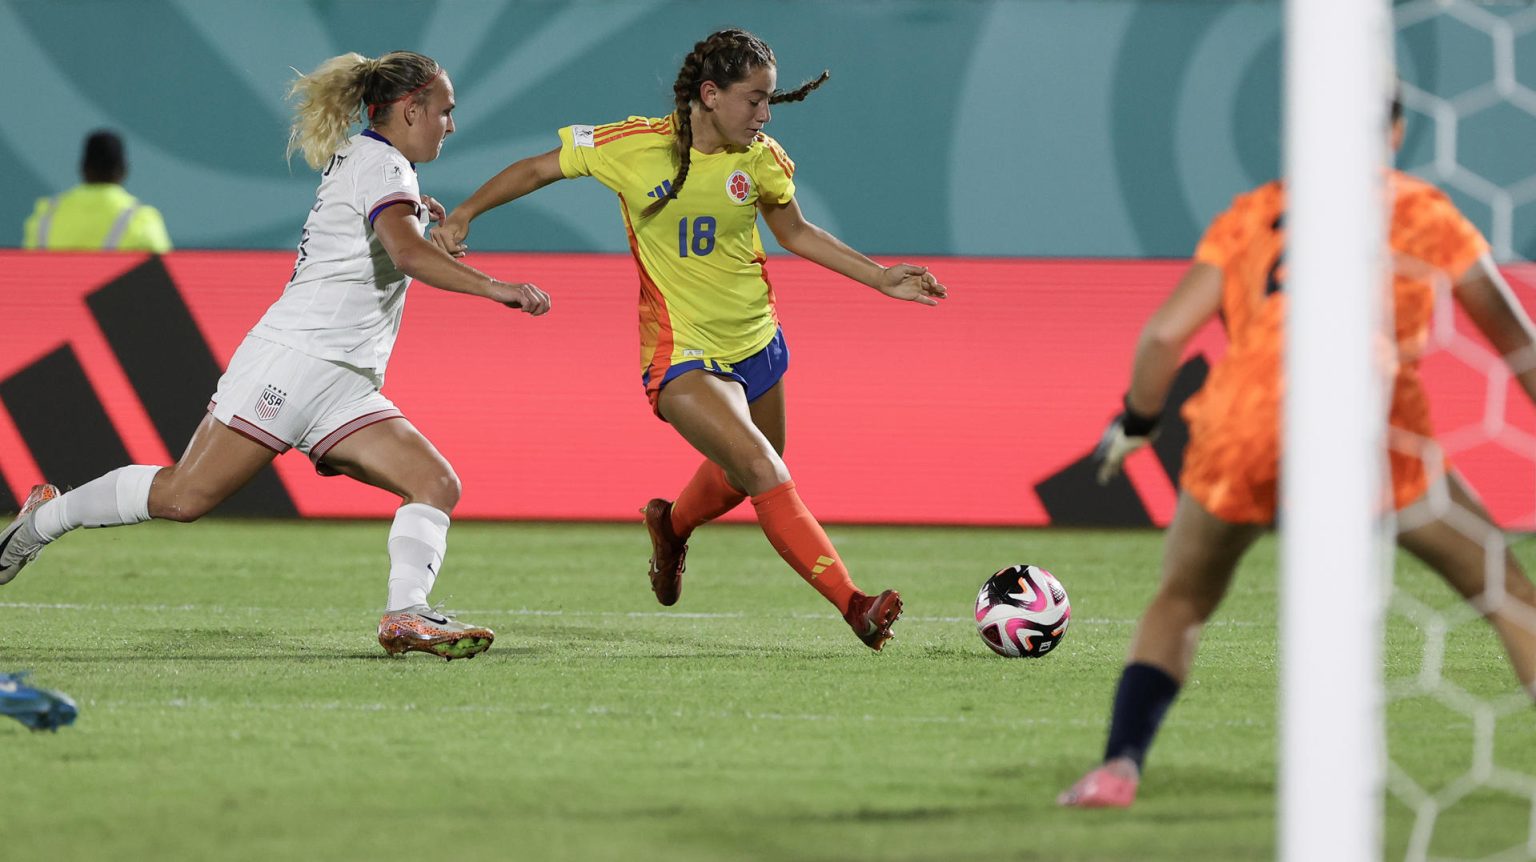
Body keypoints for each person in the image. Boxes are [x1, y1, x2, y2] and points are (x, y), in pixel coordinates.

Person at [1059, 95, 1536, 808]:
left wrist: (1138, 422)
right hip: (1373, 430)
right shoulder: (1420, 209)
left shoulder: (1255, 214)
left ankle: (1118, 770)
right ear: (1398, 130)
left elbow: (1162, 338)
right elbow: (1512, 337)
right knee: (1507, 595)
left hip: (1245, 427)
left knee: (1182, 600)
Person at [0, 51, 551, 660]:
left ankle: (405, 615)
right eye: (445, 112)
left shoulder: (379, 164)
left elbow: (386, 237)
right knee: (185, 498)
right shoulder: (382, 164)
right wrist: (498, 289)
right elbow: (409, 256)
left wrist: (416, 213)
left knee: (434, 484)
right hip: (295, 361)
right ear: (410, 109)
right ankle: (47, 516)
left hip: (343, 380)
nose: (451, 125)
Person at [432, 28, 946, 650]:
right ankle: (855, 604)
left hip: (759, 342)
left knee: (748, 470)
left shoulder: (760, 157)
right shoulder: (634, 145)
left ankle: (671, 527)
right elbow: (540, 168)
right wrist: (464, 214)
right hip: (682, 353)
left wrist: (881, 278)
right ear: (710, 93)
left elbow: (797, 233)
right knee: (762, 467)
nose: (764, 114)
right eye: (753, 100)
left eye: (768, 101)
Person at [22, 129, 173, 252]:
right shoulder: (141, 220)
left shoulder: (45, 216)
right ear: (124, 170)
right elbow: (163, 278)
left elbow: (27, 273)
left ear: (82, 168)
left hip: (54, 290)